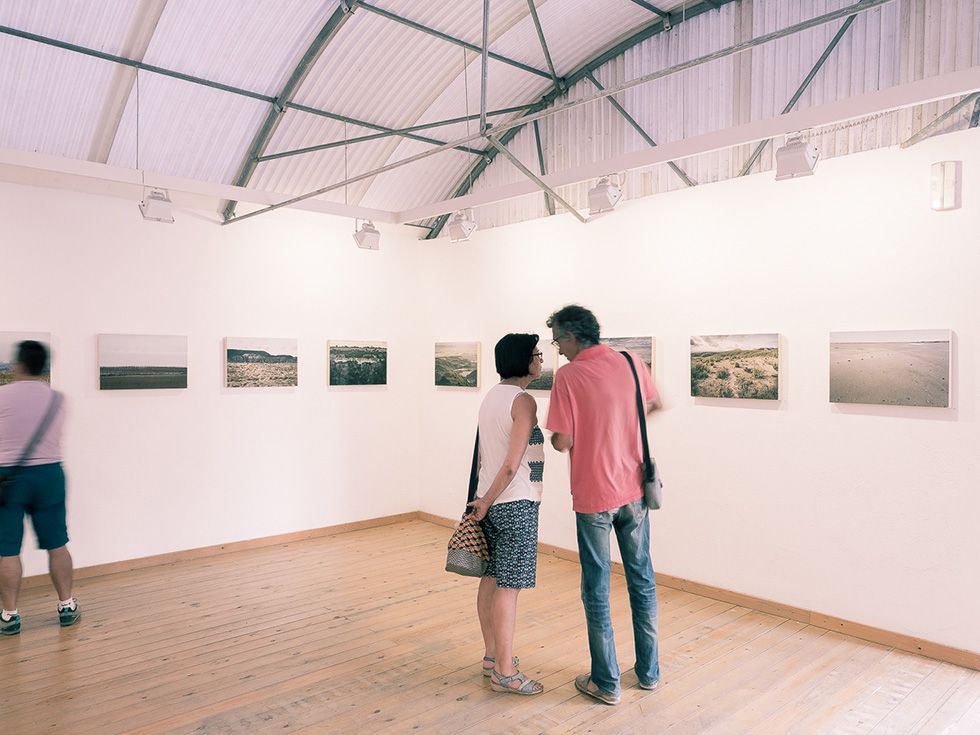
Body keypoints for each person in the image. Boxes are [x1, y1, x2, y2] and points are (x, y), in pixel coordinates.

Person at [545, 305, 662, 705]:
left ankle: (606, 682)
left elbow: (562, 440)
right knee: (642, 579)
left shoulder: (569, 376)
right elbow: (652, 405)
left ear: (574, 336)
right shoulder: (630, 361)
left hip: (594, 493)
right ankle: (648, 674)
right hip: (634, 490)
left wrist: (582, 429)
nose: (558, 349)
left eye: (558, 339)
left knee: (596, 587)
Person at [466, 333, 546, 696]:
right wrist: (489, 500)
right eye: (536, 354)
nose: (541, 359)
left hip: (493, 502)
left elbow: (487, 457)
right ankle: (505, 672)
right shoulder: (523, 401)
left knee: (492, 580)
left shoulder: (492, 397)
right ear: (523, 361)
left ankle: (491, 657)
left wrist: (484, 500)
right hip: (515, 503)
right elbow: (512, 465)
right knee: (508, 589)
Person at [0, 341, 79, 635]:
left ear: (18, 364)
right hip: (49, 475)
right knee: (57, 543)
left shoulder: (2, 396)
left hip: (7, 478)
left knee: (7, 550)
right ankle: (67, 606)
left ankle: (9, 615)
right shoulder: (58, 399)